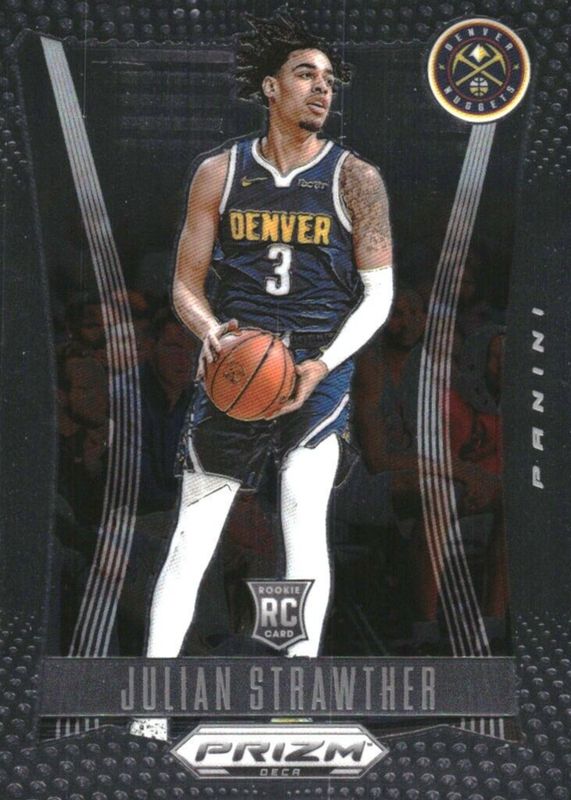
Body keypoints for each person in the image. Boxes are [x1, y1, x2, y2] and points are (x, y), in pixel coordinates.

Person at [131, 11, 394, 739]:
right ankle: (150, 711)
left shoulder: (356, 179)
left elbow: (379, 297)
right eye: (306, 74)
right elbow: (185, 286)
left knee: (301, 521)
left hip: (316, 365)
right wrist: (211, 333)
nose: (322, 89)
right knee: (193, 537)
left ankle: (293, 697)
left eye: (329, 79)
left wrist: (322, 363)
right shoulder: (219, 172)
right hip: (239, 365)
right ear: (270, 86)